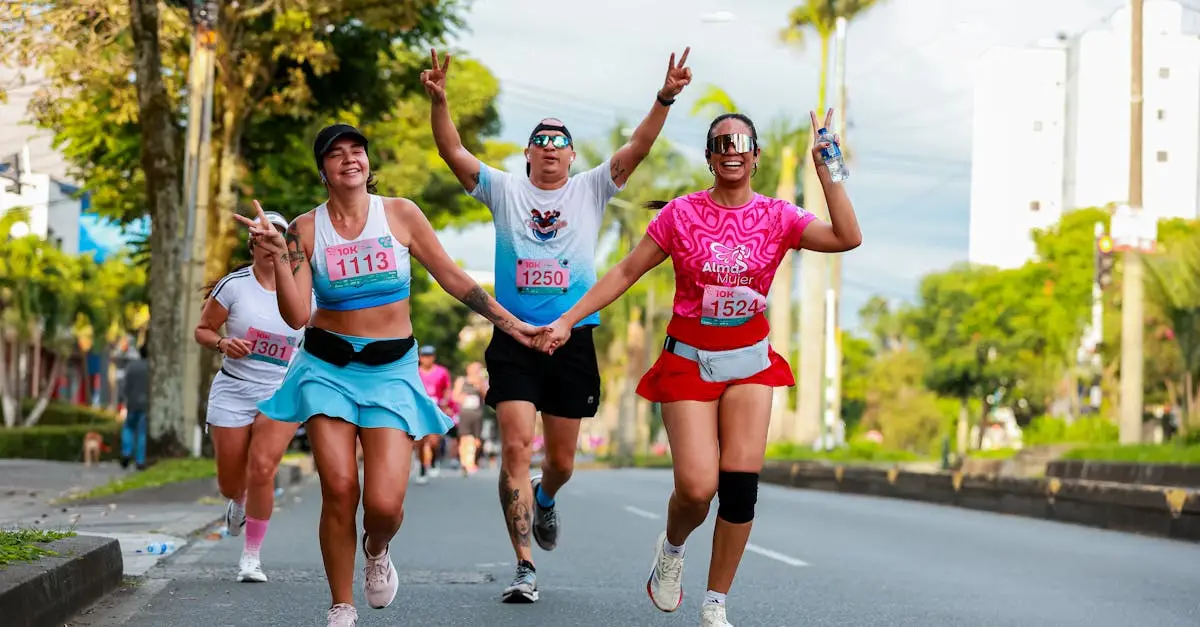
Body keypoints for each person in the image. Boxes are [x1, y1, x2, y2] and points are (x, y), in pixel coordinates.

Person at [534, 109, 863, 627]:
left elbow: (847, 237)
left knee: (739, 485)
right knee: (695, 487)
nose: (732, 149)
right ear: (710, 157)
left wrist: (828, 172)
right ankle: (672, 547)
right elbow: (625, 271)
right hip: (690, 360)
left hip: (750, 362)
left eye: (741, 142)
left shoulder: (778, 216)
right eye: (720, 142)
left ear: (755, 156)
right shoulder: (681, 214)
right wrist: (567, 320)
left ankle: (715, 601)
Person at [236, 123, 542, 627]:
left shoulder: (400, 214)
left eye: (357, 150)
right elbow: (295, 315)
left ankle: (376, 548)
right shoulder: (304, 230)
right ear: (324, 171)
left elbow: (452, 277)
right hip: (326, 368)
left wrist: (514, 325)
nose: (349, 159)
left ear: (367, 163)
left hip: (391, 371)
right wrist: (278, 255)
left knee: (383, 505)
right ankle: (341, 604)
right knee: (338, 486)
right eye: (336, 154)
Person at [423, 46, 692, 604]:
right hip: (514, 338)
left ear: (571, 156)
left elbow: (638, 147)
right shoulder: (502, 190)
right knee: (517, 446)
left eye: (558, 143)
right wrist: (440, 101)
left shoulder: (591, 188)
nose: (549, 150)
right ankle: (524, 567)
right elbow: (451, 150)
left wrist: (664, 96)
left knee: (561, 462)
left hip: (573, 337)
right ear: (526, 154)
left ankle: (547, 498)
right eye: (539, 142)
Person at [193, 210, 309, 583]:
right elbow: (203, 330)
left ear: (286, 244)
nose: (269, 240)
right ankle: (237, 502)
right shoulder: (234, 286)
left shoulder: (303, 287)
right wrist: (224, 342)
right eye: (261, 235)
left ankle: (251, 557)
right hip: (234, 388)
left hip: (280, 391)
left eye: (277, 234)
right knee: (231, 482)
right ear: (253, 243)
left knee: (262, 468)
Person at [416, 345, 454, 485]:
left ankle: (432, 461)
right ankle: (422, 468)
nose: (427, 359)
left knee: (433, 441)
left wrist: (445, 401)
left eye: (429, 356)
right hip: (420, 410)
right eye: (424, 356)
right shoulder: (415, 372)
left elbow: (447, 389)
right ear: (420, 357)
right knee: (420, 442)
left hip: (436, 409)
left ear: (433, 357)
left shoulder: (442, 372)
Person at [452, 361, 488, 475]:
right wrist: (461, 398)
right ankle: (466, 463)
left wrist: (480, 384)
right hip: (465, 413)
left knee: (476, 441)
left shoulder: (482, 382)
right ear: (468, 369)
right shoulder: (461, 380)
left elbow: (487, 396)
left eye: (478, 369)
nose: (475, 371)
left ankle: (471, 461)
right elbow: (454, 396)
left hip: (477, 414)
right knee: (464, 439)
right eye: (474, 368)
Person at [119, 342, 149, 470]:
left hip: (132, 404)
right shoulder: (151, 368)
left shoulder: (131, 367)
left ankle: (126, 453)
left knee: (128, 428)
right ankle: (140, 460)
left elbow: (124, 386)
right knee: (142, 432)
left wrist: (122, 398)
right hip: (145, 405)